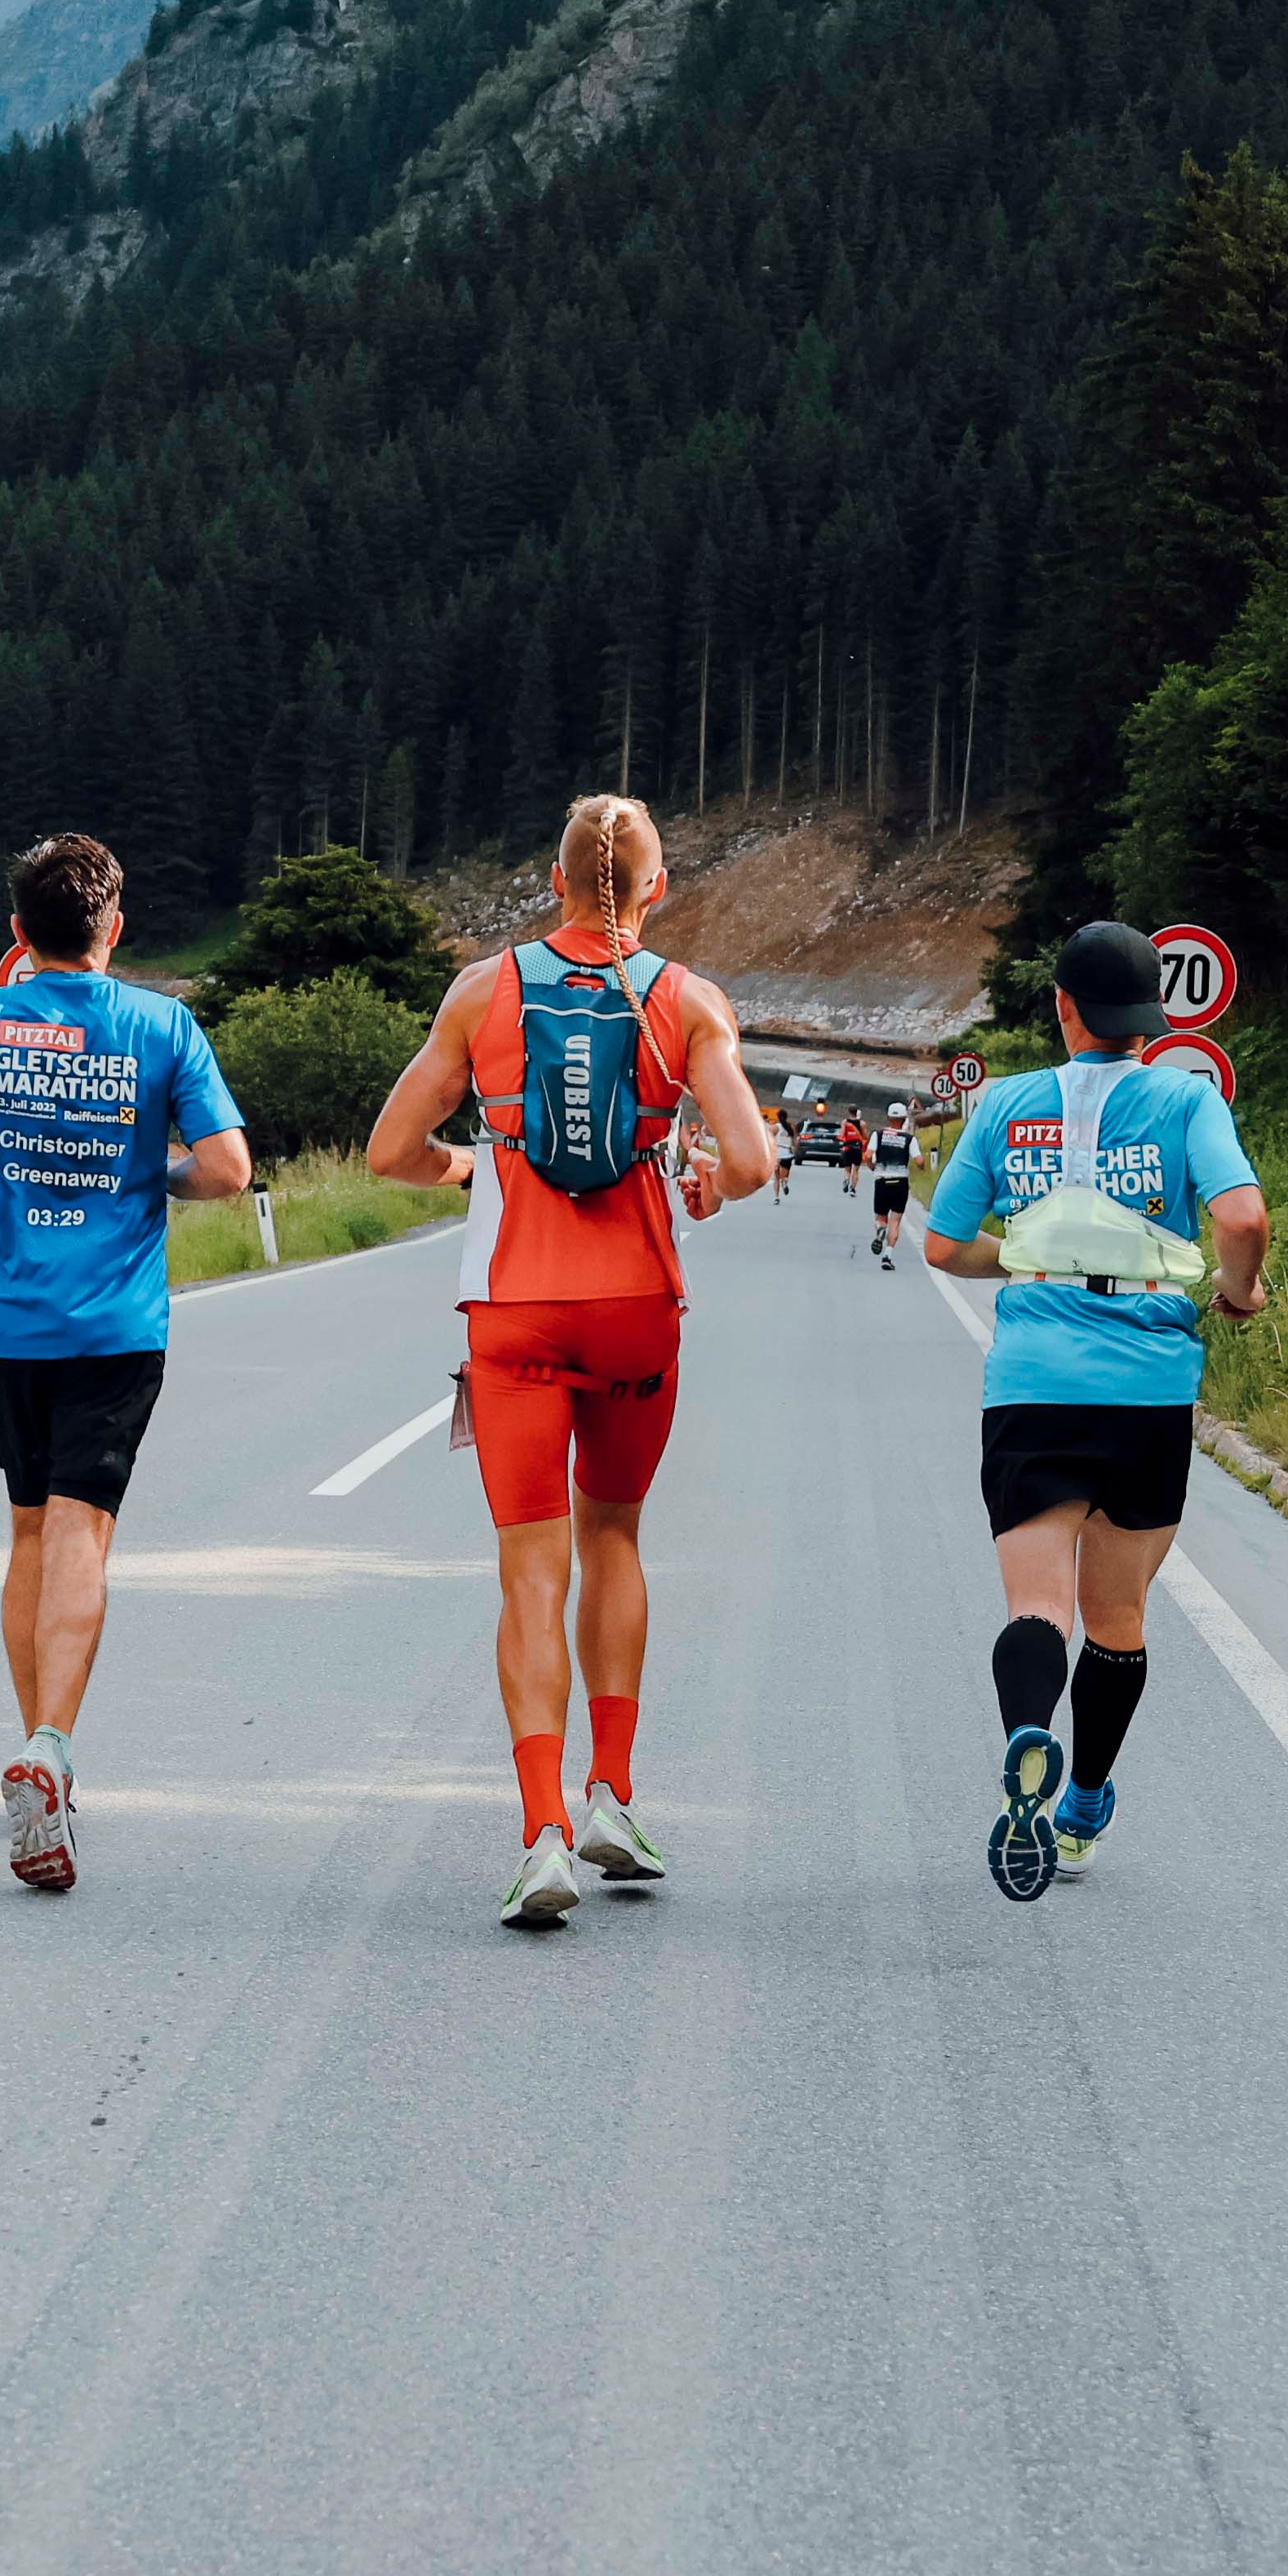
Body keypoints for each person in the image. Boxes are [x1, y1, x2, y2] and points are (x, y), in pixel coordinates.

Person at [366, 793, 779, 1925]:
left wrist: (473, 1171)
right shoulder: (686, 1000)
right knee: (613, 1537)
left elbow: (389, 1151)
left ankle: (540, 1828)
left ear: (550, 883)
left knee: (529, 1568)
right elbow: (746, 1158)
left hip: (513, 1311)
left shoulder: (482, 992)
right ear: (655, 889)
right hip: (636, 1310)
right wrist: (699, 1182)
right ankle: (613, 1791)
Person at [0, 832, 255, 1894]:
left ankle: (35, 1753)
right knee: (82, 1528)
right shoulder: (160, 1024)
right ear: (113, 929)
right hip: (112, 1322)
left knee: (27, 1527)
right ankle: (47, 1746)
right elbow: (226, 1168)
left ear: (16, 935)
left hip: (2, 1317)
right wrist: (155, 1178)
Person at [918, 920, 1272, 1899]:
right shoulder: (1183, 1094)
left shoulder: (1004, 1104)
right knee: (1117, 1615)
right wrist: (1238, 1292)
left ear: (1062, 1007)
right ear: (1147, 1017)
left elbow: (943, 1248)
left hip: (1031, 1382)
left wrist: (1029, 1257)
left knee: (1038, 1605)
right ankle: (1080, 1804)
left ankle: (1025, 1732)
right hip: (1146, 1389)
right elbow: (1239, 1216)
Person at [868, 1100, 916, 1268]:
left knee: (882, 1217)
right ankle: (887, 1256)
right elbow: (919, 1160)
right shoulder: (909, 1139)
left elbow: (867, 1156)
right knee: (895, 1221)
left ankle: (880, 1229)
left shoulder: (878, 1135)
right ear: (904, 1119)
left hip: (882, 1181)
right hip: (900, 1182)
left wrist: (872, 1166)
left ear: (888, 1117)